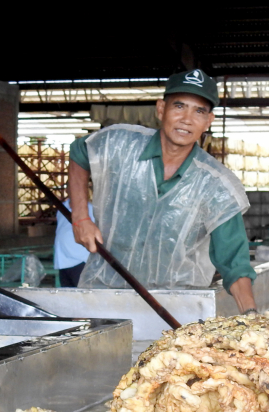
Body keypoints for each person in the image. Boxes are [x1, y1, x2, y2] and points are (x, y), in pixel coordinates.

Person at [68, 68, 257, 314]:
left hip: (175, 308)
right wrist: (80, 217)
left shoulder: (217, 185)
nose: (187, 119)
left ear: (208, 121)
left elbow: (235, 262)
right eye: (179, 106)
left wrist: (251, 315)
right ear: (160, 109)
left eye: (199, 111)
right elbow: (79, 153)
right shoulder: (119, 144)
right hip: (103, 296)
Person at [54, 197, 94, 287]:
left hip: (80, 260)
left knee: (81, 293)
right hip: (63, 260)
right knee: (68, 295)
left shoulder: (90, 208)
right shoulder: (62, 207)